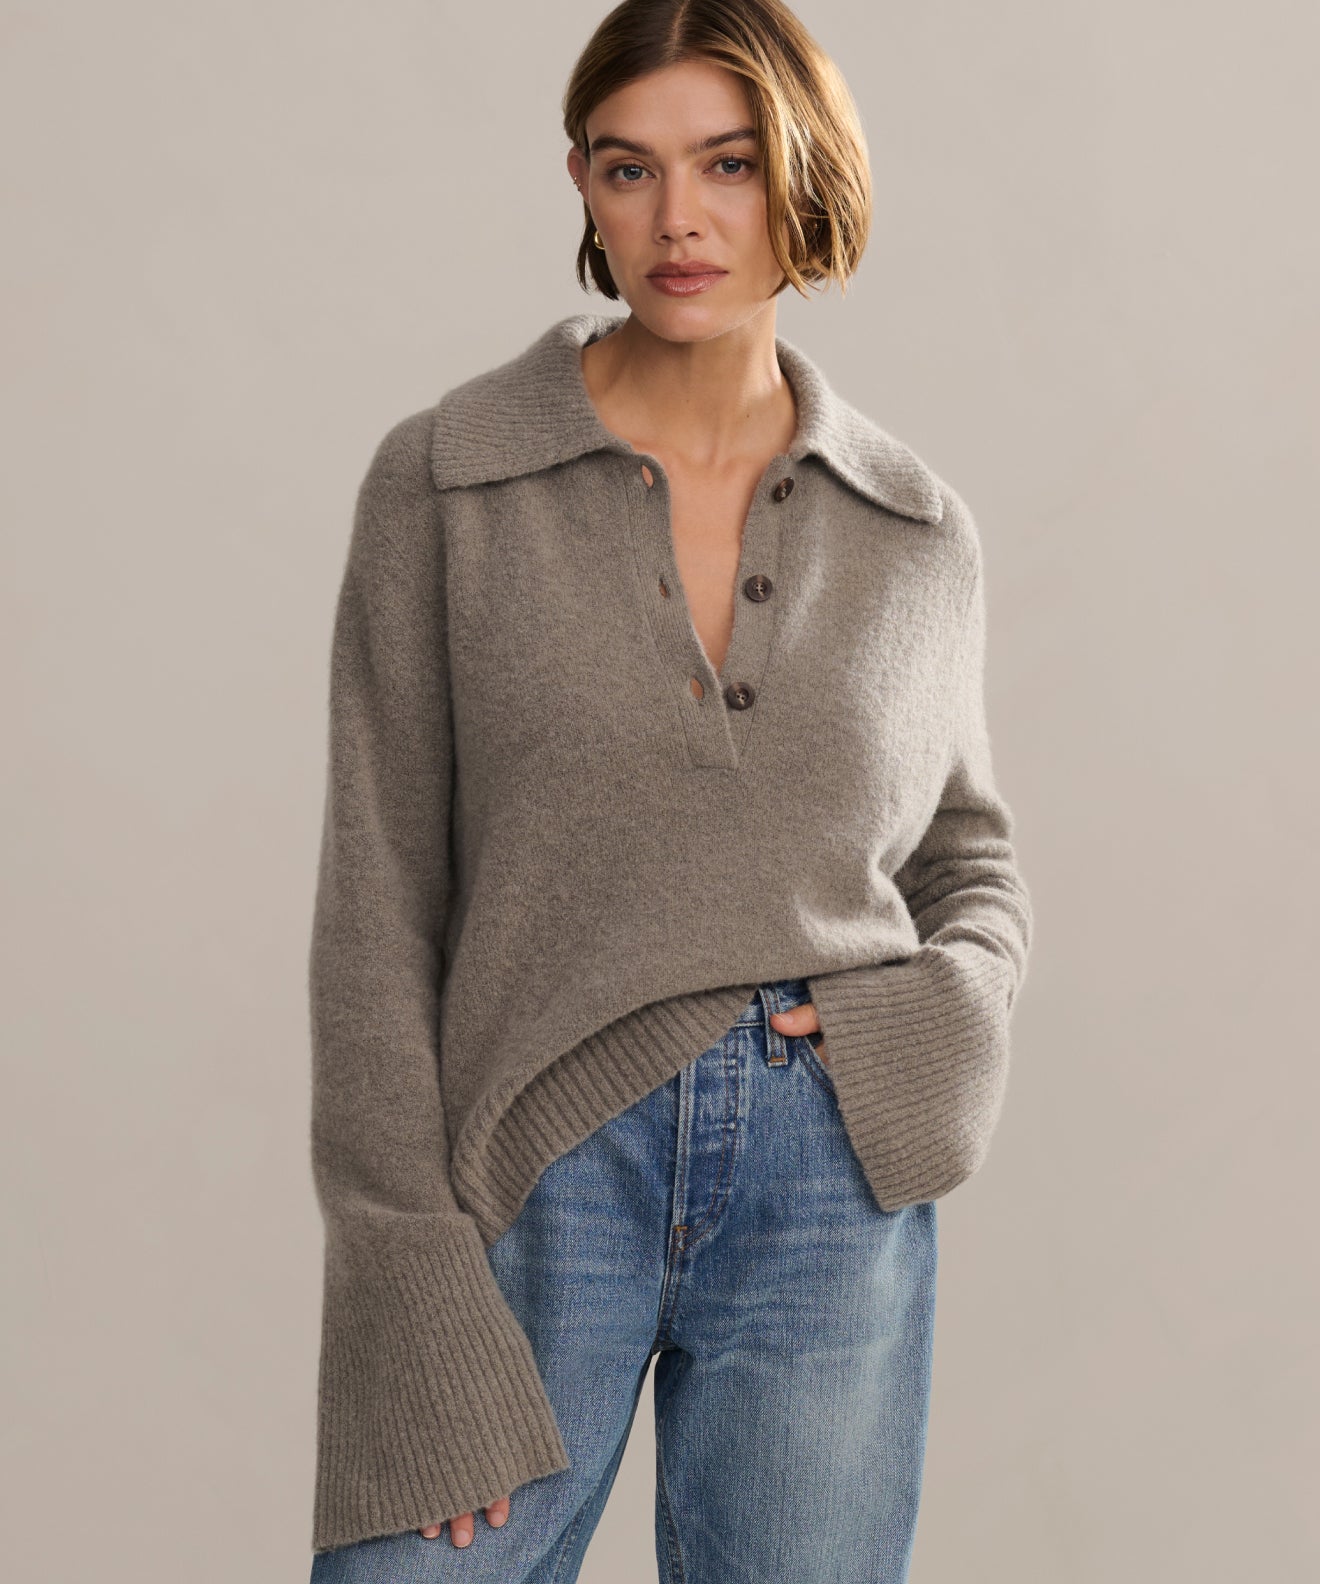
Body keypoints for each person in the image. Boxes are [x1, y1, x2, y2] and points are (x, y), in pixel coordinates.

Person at [307, 2, 1032, 1580]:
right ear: (582, 182)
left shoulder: (912, 528)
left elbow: (967, 859)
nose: (678, 219)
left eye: (729, 163)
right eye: (630, 168)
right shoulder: (450, 481)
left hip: (826, 1178)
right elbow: (375, 903)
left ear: (805, 175)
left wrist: (934, 1032)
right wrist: (404, 1264)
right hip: (533, 1164)